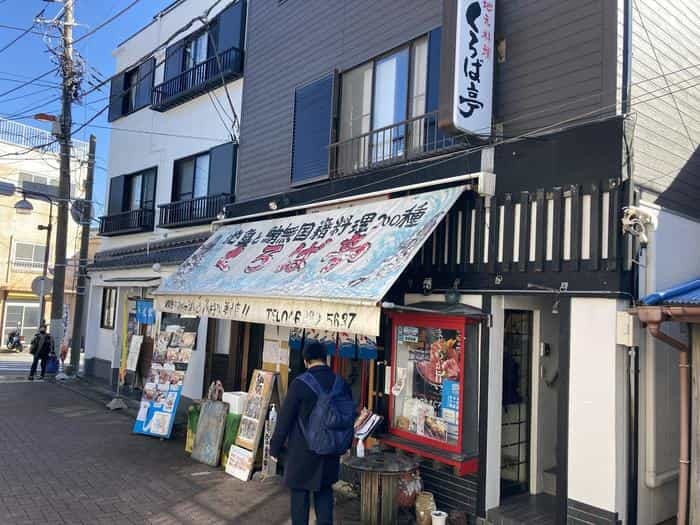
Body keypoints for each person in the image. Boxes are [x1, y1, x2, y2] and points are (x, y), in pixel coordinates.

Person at [270, 342, 352, 525]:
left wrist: (274, 448)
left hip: (302, 452)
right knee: (324, 495)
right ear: (325, 359)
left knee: (299, 498)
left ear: (306, 361)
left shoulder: (300, 384)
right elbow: (346, 417)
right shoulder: (341, 384)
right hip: (329, 451)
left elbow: (285, 419)